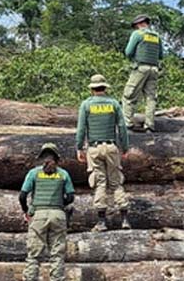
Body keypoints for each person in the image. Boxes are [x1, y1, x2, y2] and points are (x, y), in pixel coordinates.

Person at [76, 74, 131, 232]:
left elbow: (81, 130)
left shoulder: (86, 105)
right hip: (112, 147)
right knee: (115, 182)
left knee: (100, 183)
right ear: (105, 88)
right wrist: (125, 148)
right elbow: (122, 128)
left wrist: (80, 148)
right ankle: (125, 219)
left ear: (92, 89)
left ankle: (101, 221)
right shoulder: (114, 104)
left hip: (94, 149)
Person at [19, 143, 75, 281]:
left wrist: (26, 211)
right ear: (57, 158)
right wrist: (60, 204)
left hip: (38, 215)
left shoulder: (34, 173)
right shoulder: (63, 174)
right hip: (58, 215)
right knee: (57, 254)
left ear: (41, 158)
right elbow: (71, 197)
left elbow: (22, 196)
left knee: (34, 255)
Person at [122, 14, 163, 132]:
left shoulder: (137, 34)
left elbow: (128, 52)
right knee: (151, 98)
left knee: (129, 96)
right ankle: (149, 126)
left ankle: (127, 125)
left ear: (139, 24)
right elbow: (160, 55)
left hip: (140, 68)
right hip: (154, 69)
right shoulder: (157, 36)